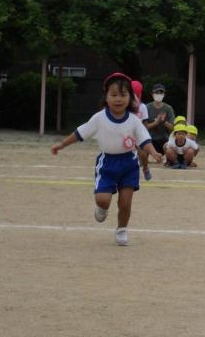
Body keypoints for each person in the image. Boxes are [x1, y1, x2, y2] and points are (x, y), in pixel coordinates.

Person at [51, 73, 161, 246]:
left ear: (131, 99)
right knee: (102, 199)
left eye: (123, 95)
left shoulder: (134, 120)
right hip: (107, 164)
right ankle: (102, 208)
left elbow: (145, 140)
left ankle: (122, 229)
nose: (118, 99)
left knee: (125, 202)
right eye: (114, 95)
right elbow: (80, 133)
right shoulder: (99, 118)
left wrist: (154, 153)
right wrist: (62, 145)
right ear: (106, 97)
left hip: (129, 164)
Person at [145, 83, 175, 154]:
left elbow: (173, 128)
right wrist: (156, 123)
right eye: (156, 92)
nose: (159, 94)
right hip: (150, 139)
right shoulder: (146, 107)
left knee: (171, 150)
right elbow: (144, 127)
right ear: (152, 94)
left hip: (164, 139)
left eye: (161, 92)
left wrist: (164, 122)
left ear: (164, 94)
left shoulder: (168, 108)